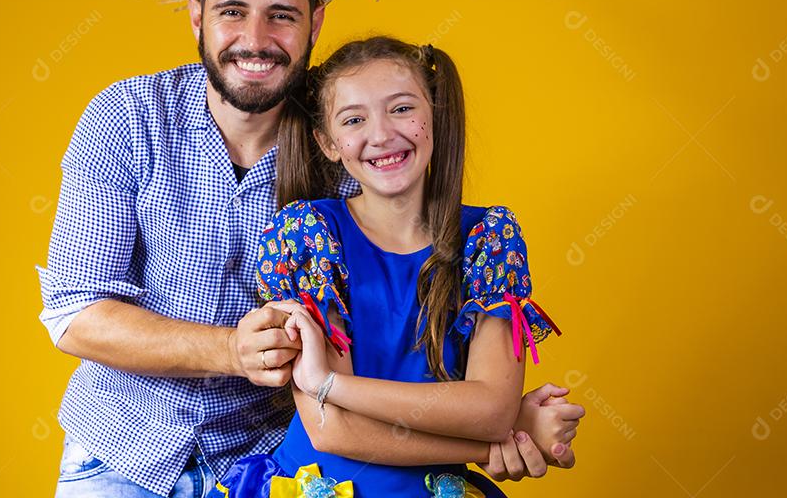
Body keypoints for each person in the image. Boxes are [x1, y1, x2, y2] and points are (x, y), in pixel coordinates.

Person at [37, 0, 577, 498]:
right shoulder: (126, 118)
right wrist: (232, 348)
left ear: (315, 21)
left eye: (282, 15)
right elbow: (77, 313)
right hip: (123, 452)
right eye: (232, 11)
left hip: (272, 463)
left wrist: (505, 421)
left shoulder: (345, 146)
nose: (256, 38)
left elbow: (394, 335)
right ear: (196, 16)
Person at [219, 37, 585, 497]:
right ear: (329, 143)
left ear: (434, 115)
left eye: (401, 109)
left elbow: (489, 406)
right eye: (354, 119)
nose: (382, 134)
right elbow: (333, 431)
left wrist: (328, 383)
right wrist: (505, 430)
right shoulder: (307, 233)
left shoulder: (490, 237)